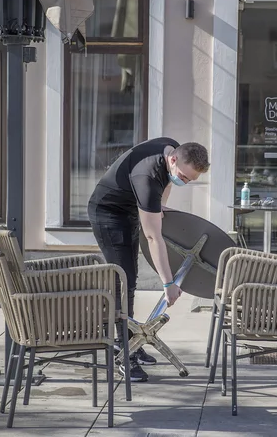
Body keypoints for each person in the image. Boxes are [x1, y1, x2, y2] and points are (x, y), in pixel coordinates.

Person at [88, 138, 210, 382]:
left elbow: (166, 182)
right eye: (184, 177)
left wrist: (161, 205)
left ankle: (131, 340)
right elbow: (154, 237)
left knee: (128, 279)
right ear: (173, 159)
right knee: (123, 282)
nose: (184, 182)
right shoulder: (146, 177)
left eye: (191, 180)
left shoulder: (170, 147)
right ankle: (125, 354)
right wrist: (168, 284)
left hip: (128, 211)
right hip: (108, 215)